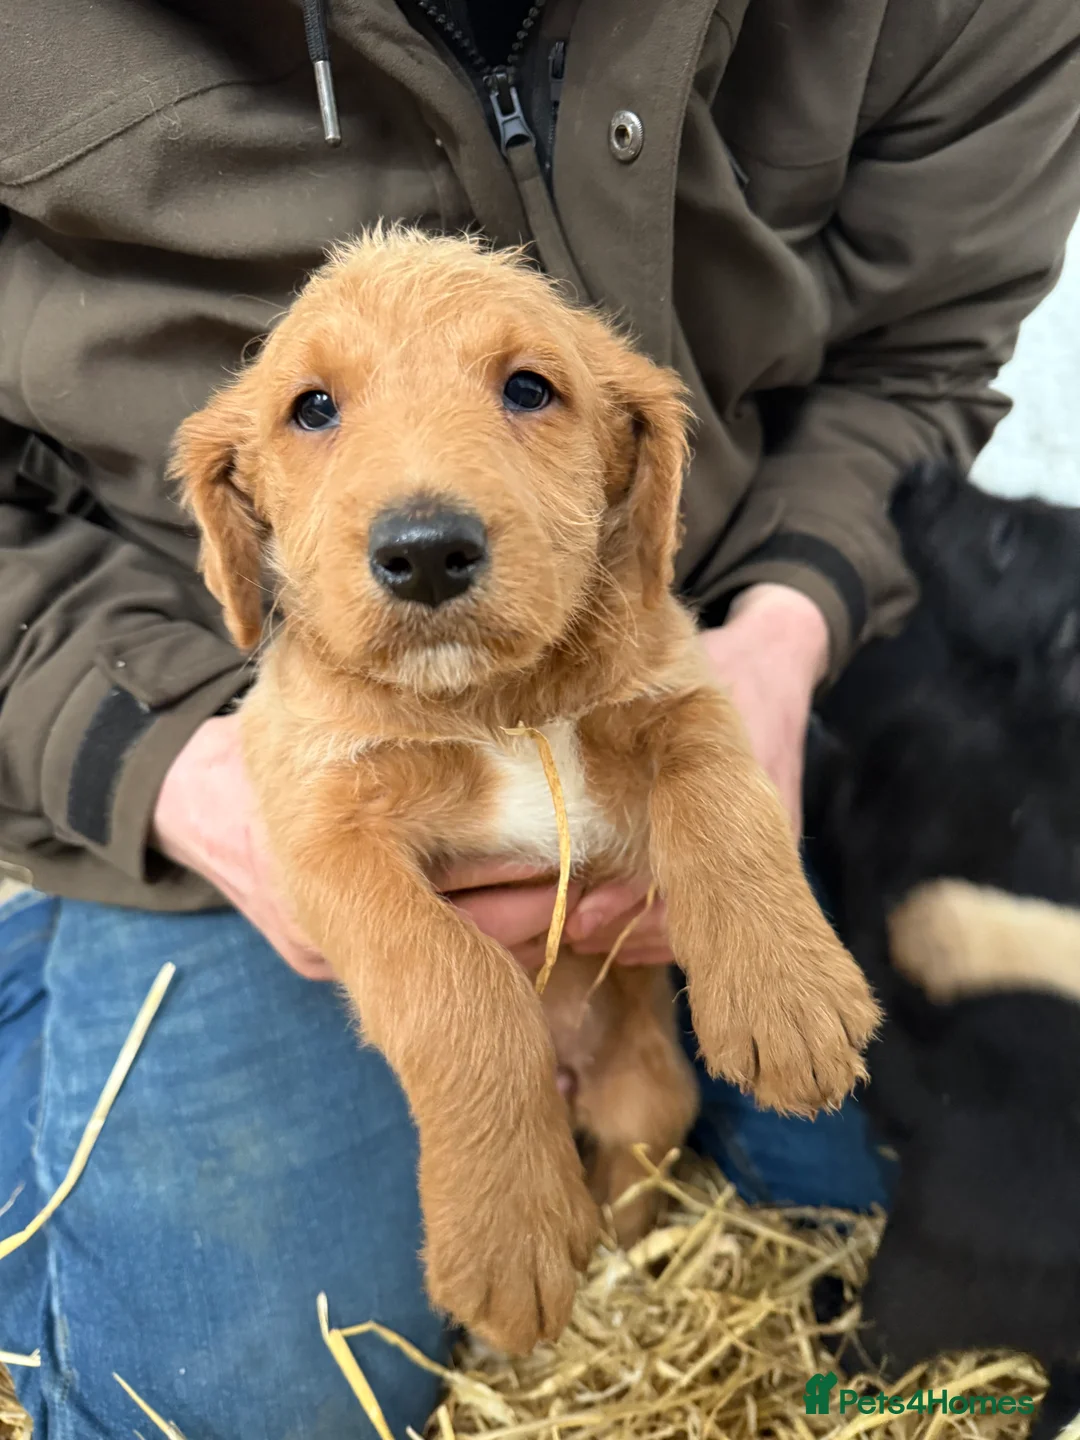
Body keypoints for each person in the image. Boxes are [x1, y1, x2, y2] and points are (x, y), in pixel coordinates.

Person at [0, 2, 1076, 1434]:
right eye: (313, 412)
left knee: (872, 1179)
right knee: (239, 1394)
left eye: (528, 390)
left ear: (641, 455)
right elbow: (319, 814)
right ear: (234, 496)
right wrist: (146, 753)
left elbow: (918, 352)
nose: (425, 510)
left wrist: (783, 631)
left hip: (726, 583)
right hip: (150, 659)